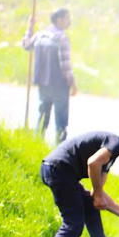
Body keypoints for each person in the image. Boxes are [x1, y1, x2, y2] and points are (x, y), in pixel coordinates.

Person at [22, 8, 78, 143]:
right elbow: (66, 65)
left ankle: (35, 143)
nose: (68, 22)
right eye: (66, 18)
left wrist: (30, 28)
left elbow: (26, 45)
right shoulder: (62, 38)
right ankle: (59, 149)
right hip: (59, 85)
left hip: (43, 83)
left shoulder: (40, 35)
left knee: (42, 116)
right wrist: (72, 84)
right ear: (58, 19)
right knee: (61, 121)